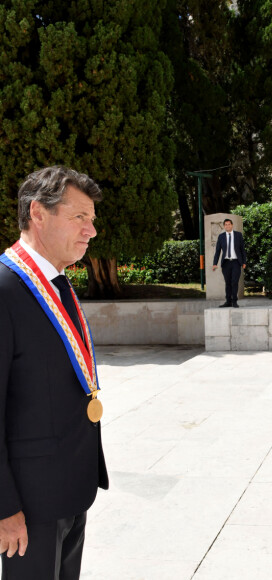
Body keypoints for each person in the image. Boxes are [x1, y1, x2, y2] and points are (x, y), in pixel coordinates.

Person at [0, 166, 108, 580]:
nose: (91, 231)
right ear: (38, 214)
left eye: (92, 220)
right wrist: (5, 508)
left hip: (70, 488)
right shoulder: (5, 288)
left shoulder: (57, 284)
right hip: (27, 507)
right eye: (79, 217)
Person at [212, 218, 247, 308]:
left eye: (229, 224)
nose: (227, 226)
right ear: (224, 226)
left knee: (234, 282)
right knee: (228, 282)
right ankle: (228, 301)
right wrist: (215, 263)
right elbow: (218, 251)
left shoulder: (238, 235)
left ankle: (234, 301)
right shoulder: (221, 236)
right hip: (226, 263)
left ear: (232, 225)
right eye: (226, 224)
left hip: (236, 262)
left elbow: (242, 250)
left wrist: (244, 262)